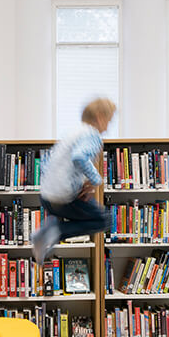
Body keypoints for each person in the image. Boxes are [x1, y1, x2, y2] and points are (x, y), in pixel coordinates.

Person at [32, 97, 116, 265]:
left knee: (82, 216)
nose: (107, 127)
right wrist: (95, 180)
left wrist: (79, 183)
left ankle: (47, 232)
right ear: (100, 117)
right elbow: (79, 156)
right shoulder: (92, 135)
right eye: (109, 121)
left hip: (47, 195)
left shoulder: (72, 133)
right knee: (103, 220)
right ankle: (54, 232)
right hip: (63, 195)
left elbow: (53, 163)